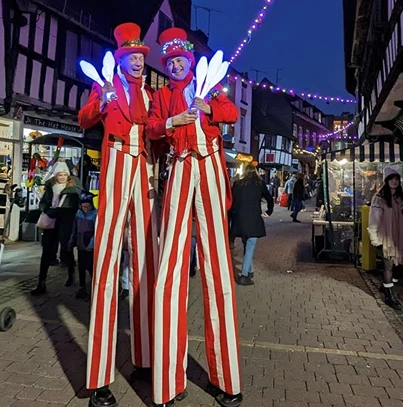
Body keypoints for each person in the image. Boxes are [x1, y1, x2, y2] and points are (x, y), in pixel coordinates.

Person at [146, 27, 242, 407]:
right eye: (170, 62)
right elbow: (152, 127)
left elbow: (232, 112)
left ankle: (227, 380)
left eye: (180, 60)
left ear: (189, 60)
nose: (175, 65)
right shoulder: (163, 95)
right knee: (170, 271)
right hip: (181, 168)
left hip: (212, 168)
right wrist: (173, 122)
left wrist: (209, 109)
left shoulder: (209, 86)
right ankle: (169, 382)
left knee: (218, 269)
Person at [77, 22, 159, 406]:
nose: (139, 63)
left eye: (142, 57)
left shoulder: (150, 92)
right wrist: (102, 100)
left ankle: (143, 357)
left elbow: (155, 132)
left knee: (145, 264)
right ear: (122, 60)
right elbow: (84, 119)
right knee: (107, 270)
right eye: (133, 58)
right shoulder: (106, 84)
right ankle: (98, 380)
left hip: (141, 174)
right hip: (114, 171)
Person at [30, 162, 80, 295]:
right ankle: (41, 283)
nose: (62, 177)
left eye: (64, 174)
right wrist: (46, 210)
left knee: (66, 249)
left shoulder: (73, 189)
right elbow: (43, 202)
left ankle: (71, 273)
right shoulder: (50, 187)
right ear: (55, 176)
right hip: (51, 221)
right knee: (46, 252)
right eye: (60, 175)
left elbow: (76, 206)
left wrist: (63, 212)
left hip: (65, 223)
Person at [367, 167, 403, 310]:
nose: (394, 181)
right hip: (385, 236)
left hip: (399, 235)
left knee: (398, 265)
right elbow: (374, 218)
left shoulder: (401, 198)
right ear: (387, 181)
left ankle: (387, 286)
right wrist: (373, 236)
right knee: (388, 265)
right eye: (392, 179)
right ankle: (389, 295)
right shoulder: (379, 198)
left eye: (397, 179)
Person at [231, 165, 274, 286]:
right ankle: (244, 276)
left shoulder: (238, 184)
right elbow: (269, 199)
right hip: (254, 219)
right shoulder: (259, 184)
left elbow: (233, 201)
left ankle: (250, 270)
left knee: (246, 244)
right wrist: (268, 212)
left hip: (239, 220)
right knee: (250, 246)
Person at [69, 191, 97, 300]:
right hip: (81, 244)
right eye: (83, 206)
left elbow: (96, 232)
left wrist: (91, 244)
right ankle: (82, 288)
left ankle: (95, 289)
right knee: (81, 268)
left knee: (90, 268)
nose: (85, 208)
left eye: (87, 206)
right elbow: (74, 229)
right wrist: (72, 242)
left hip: (89, 244)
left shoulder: (95, 215)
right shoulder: (78, 214)